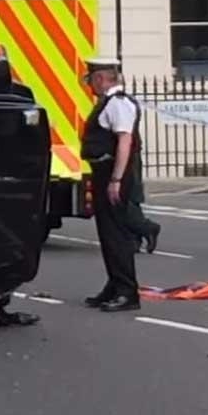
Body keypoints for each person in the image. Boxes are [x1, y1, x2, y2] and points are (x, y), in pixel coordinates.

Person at [80, 57, 144, 313]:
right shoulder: (108, 102)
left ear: (100, 78)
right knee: (107, 233)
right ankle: (114, 285)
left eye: (91, 79)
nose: (89, 85)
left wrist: (116, 180)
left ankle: (127, 291)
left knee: (116, 234)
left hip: (111, 173)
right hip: (103, 171)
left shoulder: (119, 104)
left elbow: (124, 141)